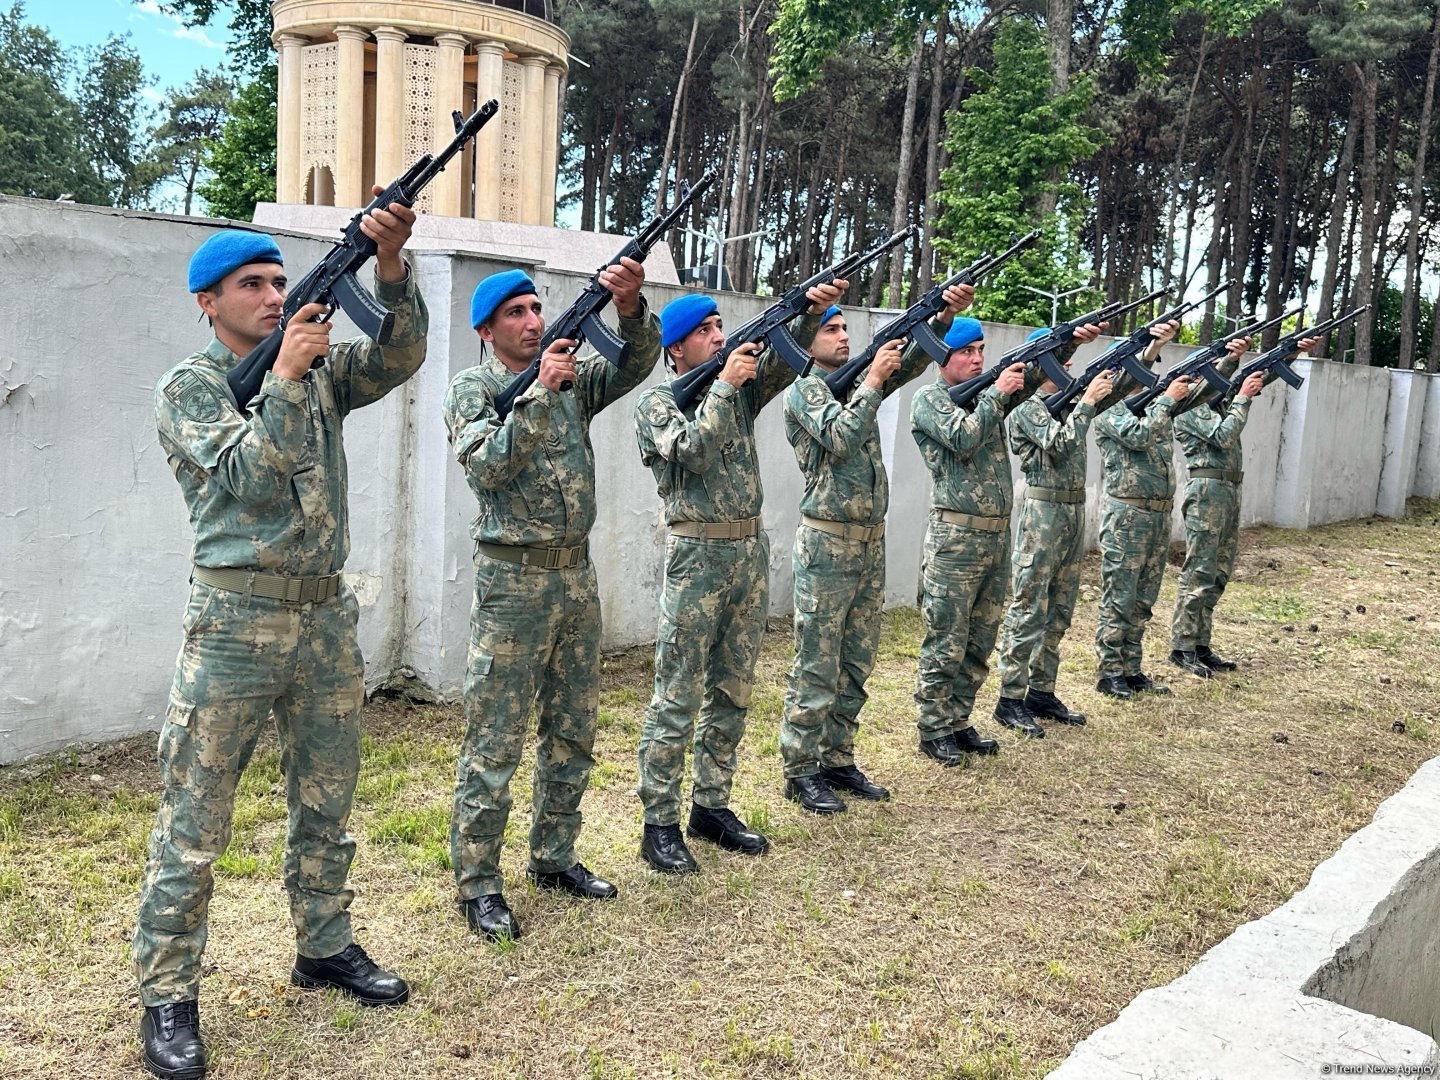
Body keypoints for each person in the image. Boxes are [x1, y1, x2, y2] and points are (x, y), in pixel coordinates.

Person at [137, 201, 426, 1080]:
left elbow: (399, 356)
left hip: (322, 616)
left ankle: (324, 945)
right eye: (251, 286)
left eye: (276, 282)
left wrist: (388, 266)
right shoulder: (189, 387)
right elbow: (243, 482)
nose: (272, 296)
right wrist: (289, 379)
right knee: (197, 814)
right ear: (207, 301)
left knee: (327, 796)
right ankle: (167, 994)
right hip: (233, 621)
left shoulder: (319, 364)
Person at [442, 260, 660, 940]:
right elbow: (487, 467)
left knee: (573, 727)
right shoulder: (472, 389)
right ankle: (478, 883)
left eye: (537, 309)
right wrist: (536, 392)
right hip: (513, 584)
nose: (533, 322)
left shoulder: (571, 380)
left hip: (575, 578)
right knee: (496, 737)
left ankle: (554, 855)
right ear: (485, 330)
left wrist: (628, 308)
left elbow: (635, 364)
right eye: (516, 313)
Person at [632, 280, 842, 869]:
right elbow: (693, 451)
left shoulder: (740, 391)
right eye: (704, 332)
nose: (719, 338)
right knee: (678, 692)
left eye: (720, 327)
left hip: (748, 552)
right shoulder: (658, 404)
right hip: (697, 558)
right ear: (676, 350)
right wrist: (724, 386)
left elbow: (782, 366)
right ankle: (659, 822)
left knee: (733, 686)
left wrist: (805, 314)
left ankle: (712, 803)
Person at [778, 285, 974, 812]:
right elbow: (840, 439)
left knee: (857, 657)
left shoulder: (853, 386)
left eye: (846, 329)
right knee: (818, 659)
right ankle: (801, 767)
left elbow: (907, 366)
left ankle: (838, 757)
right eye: (831, 329)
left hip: (868, 541)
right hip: (827, 542)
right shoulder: (806, 391)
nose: (843, 337)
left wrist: (942, 314)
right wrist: (870, 380)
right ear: (807, 341)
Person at [991, 321, 1172, 736]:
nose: (1067, 366)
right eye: (1058, 360)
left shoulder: (1072, 402)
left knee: (1059, 609)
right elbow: (1059, 444)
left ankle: (1041, 689)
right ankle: (1009, 697)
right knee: (1029, 608)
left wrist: (1147, 349)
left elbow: (1122, 386)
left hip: (1072, 513)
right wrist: (1086, 404)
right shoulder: (1025, 407)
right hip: (1043, 515)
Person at [908, 319, 1055, 766]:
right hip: (956, 538)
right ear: (943, 356)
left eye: (981, 351)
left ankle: (958, 718)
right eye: (966, 352)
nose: (976, 360)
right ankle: (933, 728)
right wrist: (996, 392)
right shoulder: (929, 400)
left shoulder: (985, 397)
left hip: (994, 535)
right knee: (947, 637)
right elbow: (963, 438)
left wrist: (1059, 344)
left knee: (981, 637)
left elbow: (1028, 384)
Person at [1168, 334, 1318, 676]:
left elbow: (1261, 375)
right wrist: (1243, 400)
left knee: (1219, 571)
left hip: (1228, 488)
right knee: (1200, 570)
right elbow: (1223, 436)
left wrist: (1293, 352)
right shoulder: (1189, 409)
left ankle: (1200, 644)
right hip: (1207, 489)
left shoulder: (1217, 402)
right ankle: (1182, 646)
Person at [1091, 331, 1220, 699]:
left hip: (1156, 515)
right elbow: (1138, 436)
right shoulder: (1107, 409)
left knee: (1143, 599)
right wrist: (1165, 401)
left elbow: (1202, 393)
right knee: (1120, 597)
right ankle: (1109, 671)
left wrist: (1224, 361)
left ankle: (1132, 667)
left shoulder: (1151, 404)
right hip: (1127, 515)